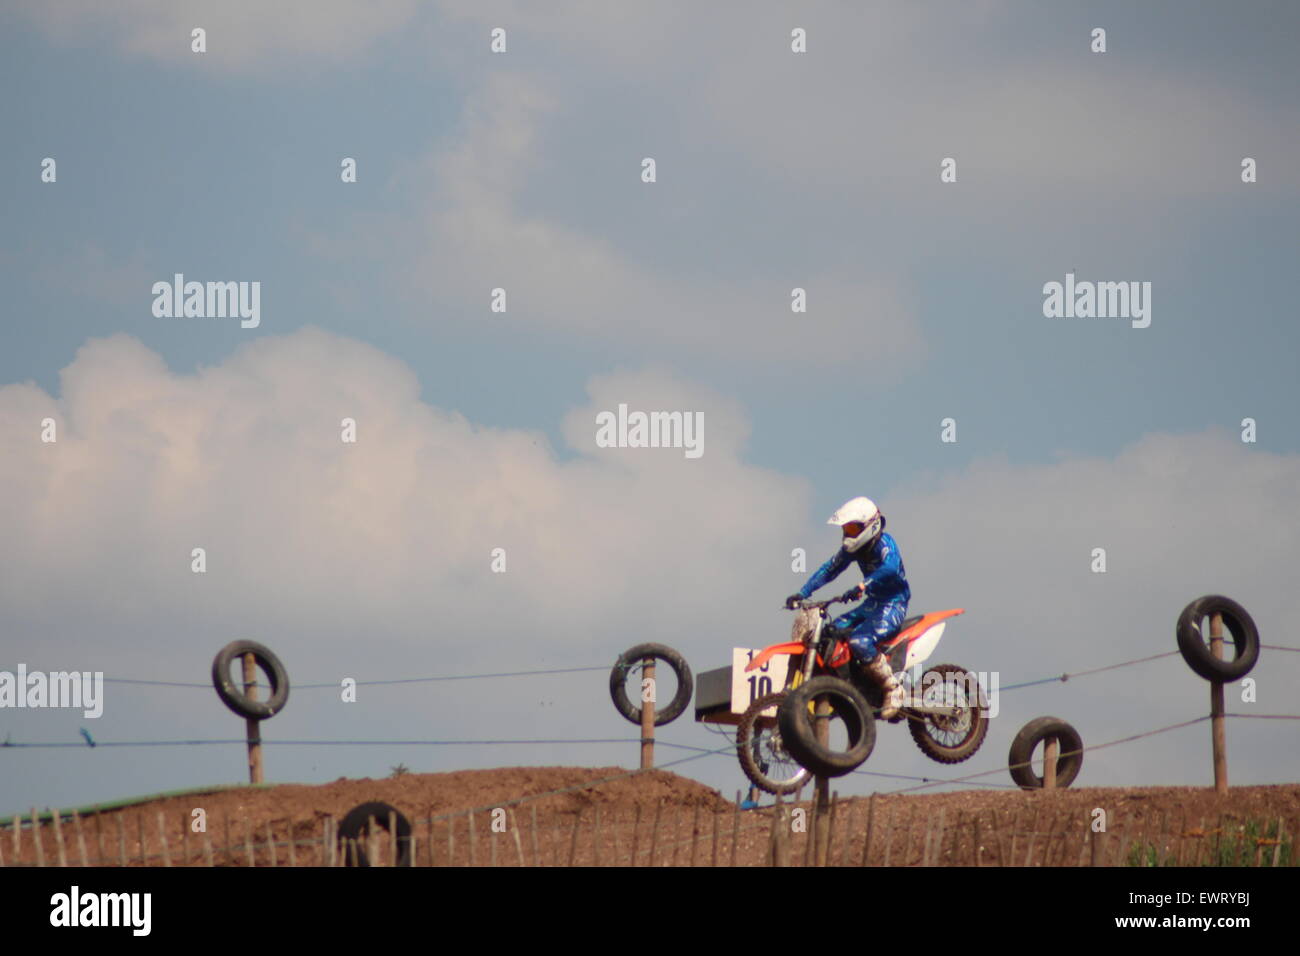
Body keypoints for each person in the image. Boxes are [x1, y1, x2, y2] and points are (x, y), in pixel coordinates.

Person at [786, 496, 909, 719]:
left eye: (853, 528)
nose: (848, 534)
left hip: (893, 603)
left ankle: (893, 688)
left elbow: (890, 568)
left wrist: (864, 584)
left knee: (859, 641)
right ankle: (849, 687)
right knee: (830, 634)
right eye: (846, 528)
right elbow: (830, 569)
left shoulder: (885, 544)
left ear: (871, 526)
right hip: (871, 604)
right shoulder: (853, 550)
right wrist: (803, 593)